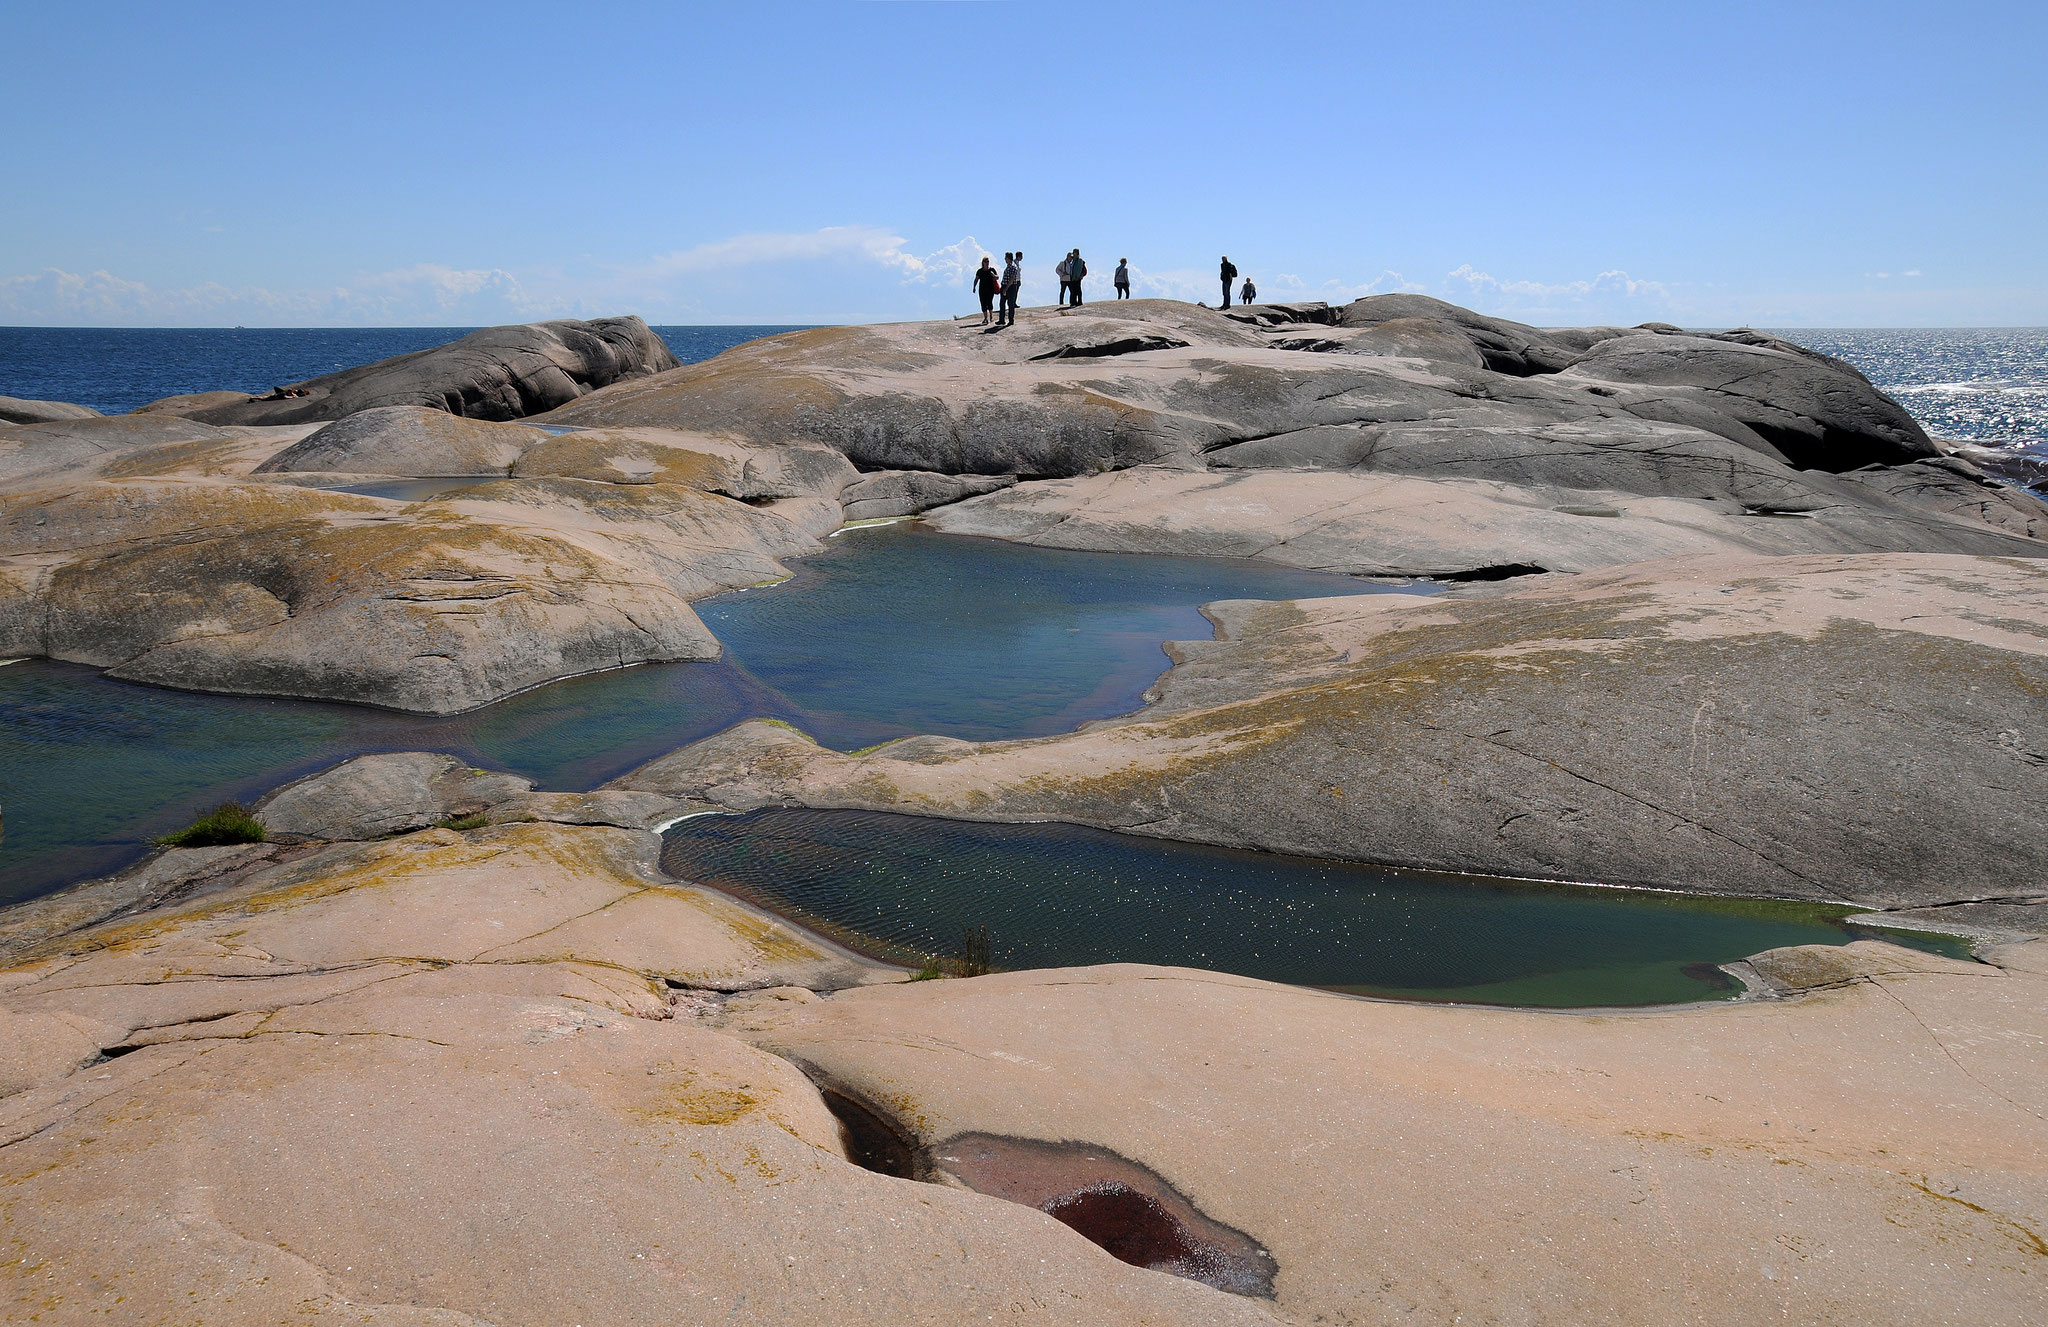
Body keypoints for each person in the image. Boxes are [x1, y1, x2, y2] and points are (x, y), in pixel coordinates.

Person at [972, 255, 1000, 325]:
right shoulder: (980, 271)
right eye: (985, 261)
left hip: (990, 289)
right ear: (983, 262)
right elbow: (976, 279)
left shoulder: (992, 270)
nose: (987, 263)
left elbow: (997, 277)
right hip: (982, 289)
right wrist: (974, 287)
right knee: (983, 303)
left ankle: (991, 316)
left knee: (989, 302)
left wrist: (993, 275)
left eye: (988, 261)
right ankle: (985, 318)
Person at [1000, 251, 1022, 325]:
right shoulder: (1009, 265)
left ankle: (1010, 320)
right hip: (1006, 285)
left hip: (1010, 287)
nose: (1005, 259)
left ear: (1008, 258)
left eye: (1005, 258)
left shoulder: (1012, 266)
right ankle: (1002, 319)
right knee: (1002, 303)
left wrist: (1006, 288)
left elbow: (1012, 279)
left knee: (1010, 304)